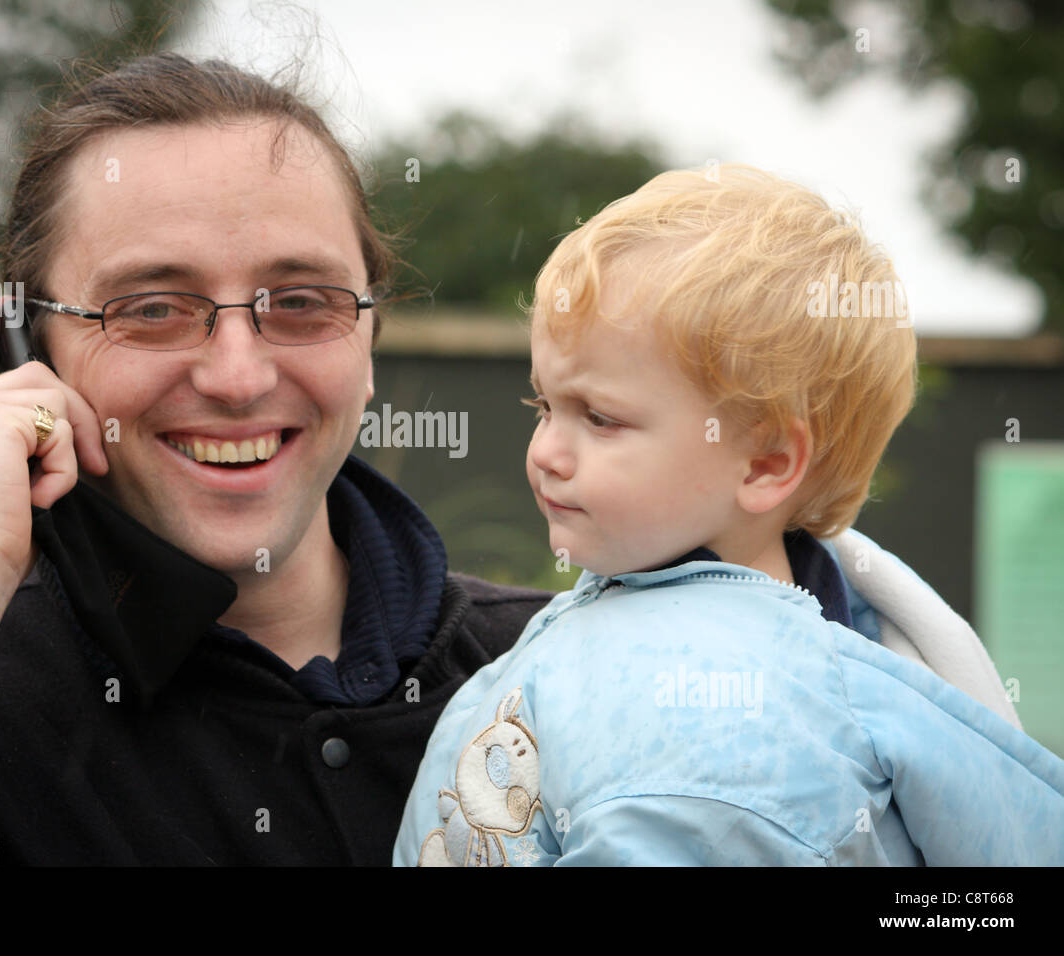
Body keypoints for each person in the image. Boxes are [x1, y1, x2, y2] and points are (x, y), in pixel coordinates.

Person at [0, 52, 553, 865]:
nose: (239, 377)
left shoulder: (559, 671)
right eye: (151, 309)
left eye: (302, 301)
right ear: (24, 353)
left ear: (370, 340)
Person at [394, 165, 1064, 866]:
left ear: (766, 464)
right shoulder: (635, 622)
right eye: (544, 406)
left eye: (599, 417)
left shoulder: (727, 729)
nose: (547, 453)